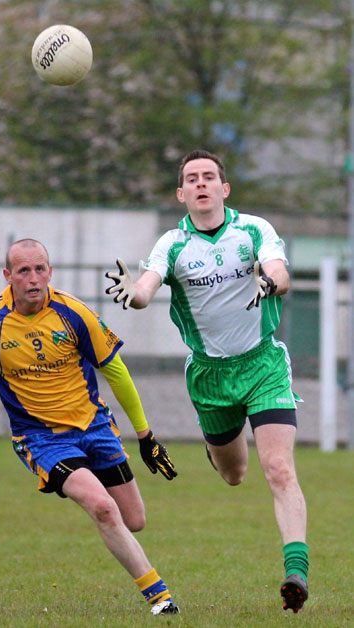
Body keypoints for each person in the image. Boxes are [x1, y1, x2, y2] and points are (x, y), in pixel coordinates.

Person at [0, 238, 179, 616]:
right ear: (7, 276)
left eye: (40, 268)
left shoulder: (74, 312)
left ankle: (87, 488)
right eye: (23, 270)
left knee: (134, 520)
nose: (33, 278)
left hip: (94, 427)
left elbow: (115, 370)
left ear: (50, 271)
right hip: (41, 438)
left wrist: (147, 437)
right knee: (103, 508)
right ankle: (161, 599)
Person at [105, 149, 309, 614]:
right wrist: (130, 292)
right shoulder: (172, 244)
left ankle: (296, 571)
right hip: (209, 375)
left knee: (278, 469)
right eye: (192, 178)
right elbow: (144, 290)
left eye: (209, 176)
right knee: (235, 474)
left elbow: (280, 271)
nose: (201, 183)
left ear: (224, 188)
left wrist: (270, 283)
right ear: (182, 193)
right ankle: (221, 449)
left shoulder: (254, 229)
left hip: (263, 366)